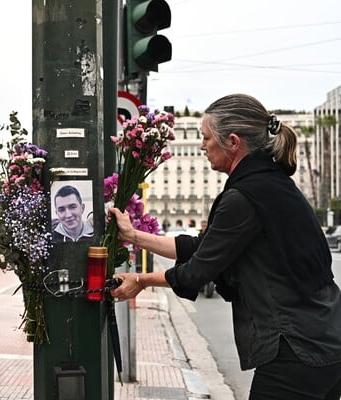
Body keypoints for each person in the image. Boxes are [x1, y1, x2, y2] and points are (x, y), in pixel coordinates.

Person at [110, 94, 341, 400]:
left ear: (232, 142)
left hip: (295, 349)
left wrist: (140, 280)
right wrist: (134, 235)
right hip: (328, 338)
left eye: (205, 138)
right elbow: (201, 247)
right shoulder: (273, 185)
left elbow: (196, 271)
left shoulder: (244, 197)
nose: (202, 146)